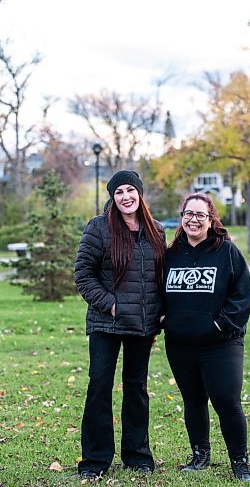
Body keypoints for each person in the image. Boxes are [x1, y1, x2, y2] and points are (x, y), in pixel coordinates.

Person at [74, 170, 165, 481]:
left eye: (131, 190)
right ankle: (95, 459)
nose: (126, 196)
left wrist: (160, 312)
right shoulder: (99, 228)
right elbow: (83, 276)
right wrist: (111, 304)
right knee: (100, 385)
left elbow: (160, 278)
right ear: (112, 198)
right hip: (106, 322)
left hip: (143, 324)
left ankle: (137, 455)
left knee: (137, 388)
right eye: (119, 192)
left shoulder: (155, 231)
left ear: (139, 193)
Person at [161, 193, 250, 482]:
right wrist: (163, 319)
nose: (193, 220)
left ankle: (240, 462)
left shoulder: (226, 251)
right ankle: (200, 455)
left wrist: (218, 326)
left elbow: (241, 297)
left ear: (211, 219)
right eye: (188, 214)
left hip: (220, 344)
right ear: (182, 218)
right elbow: (155, 292)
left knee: (227, 401)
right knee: (193, 400)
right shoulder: (170, 254)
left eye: (200, 215)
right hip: (180, 344)